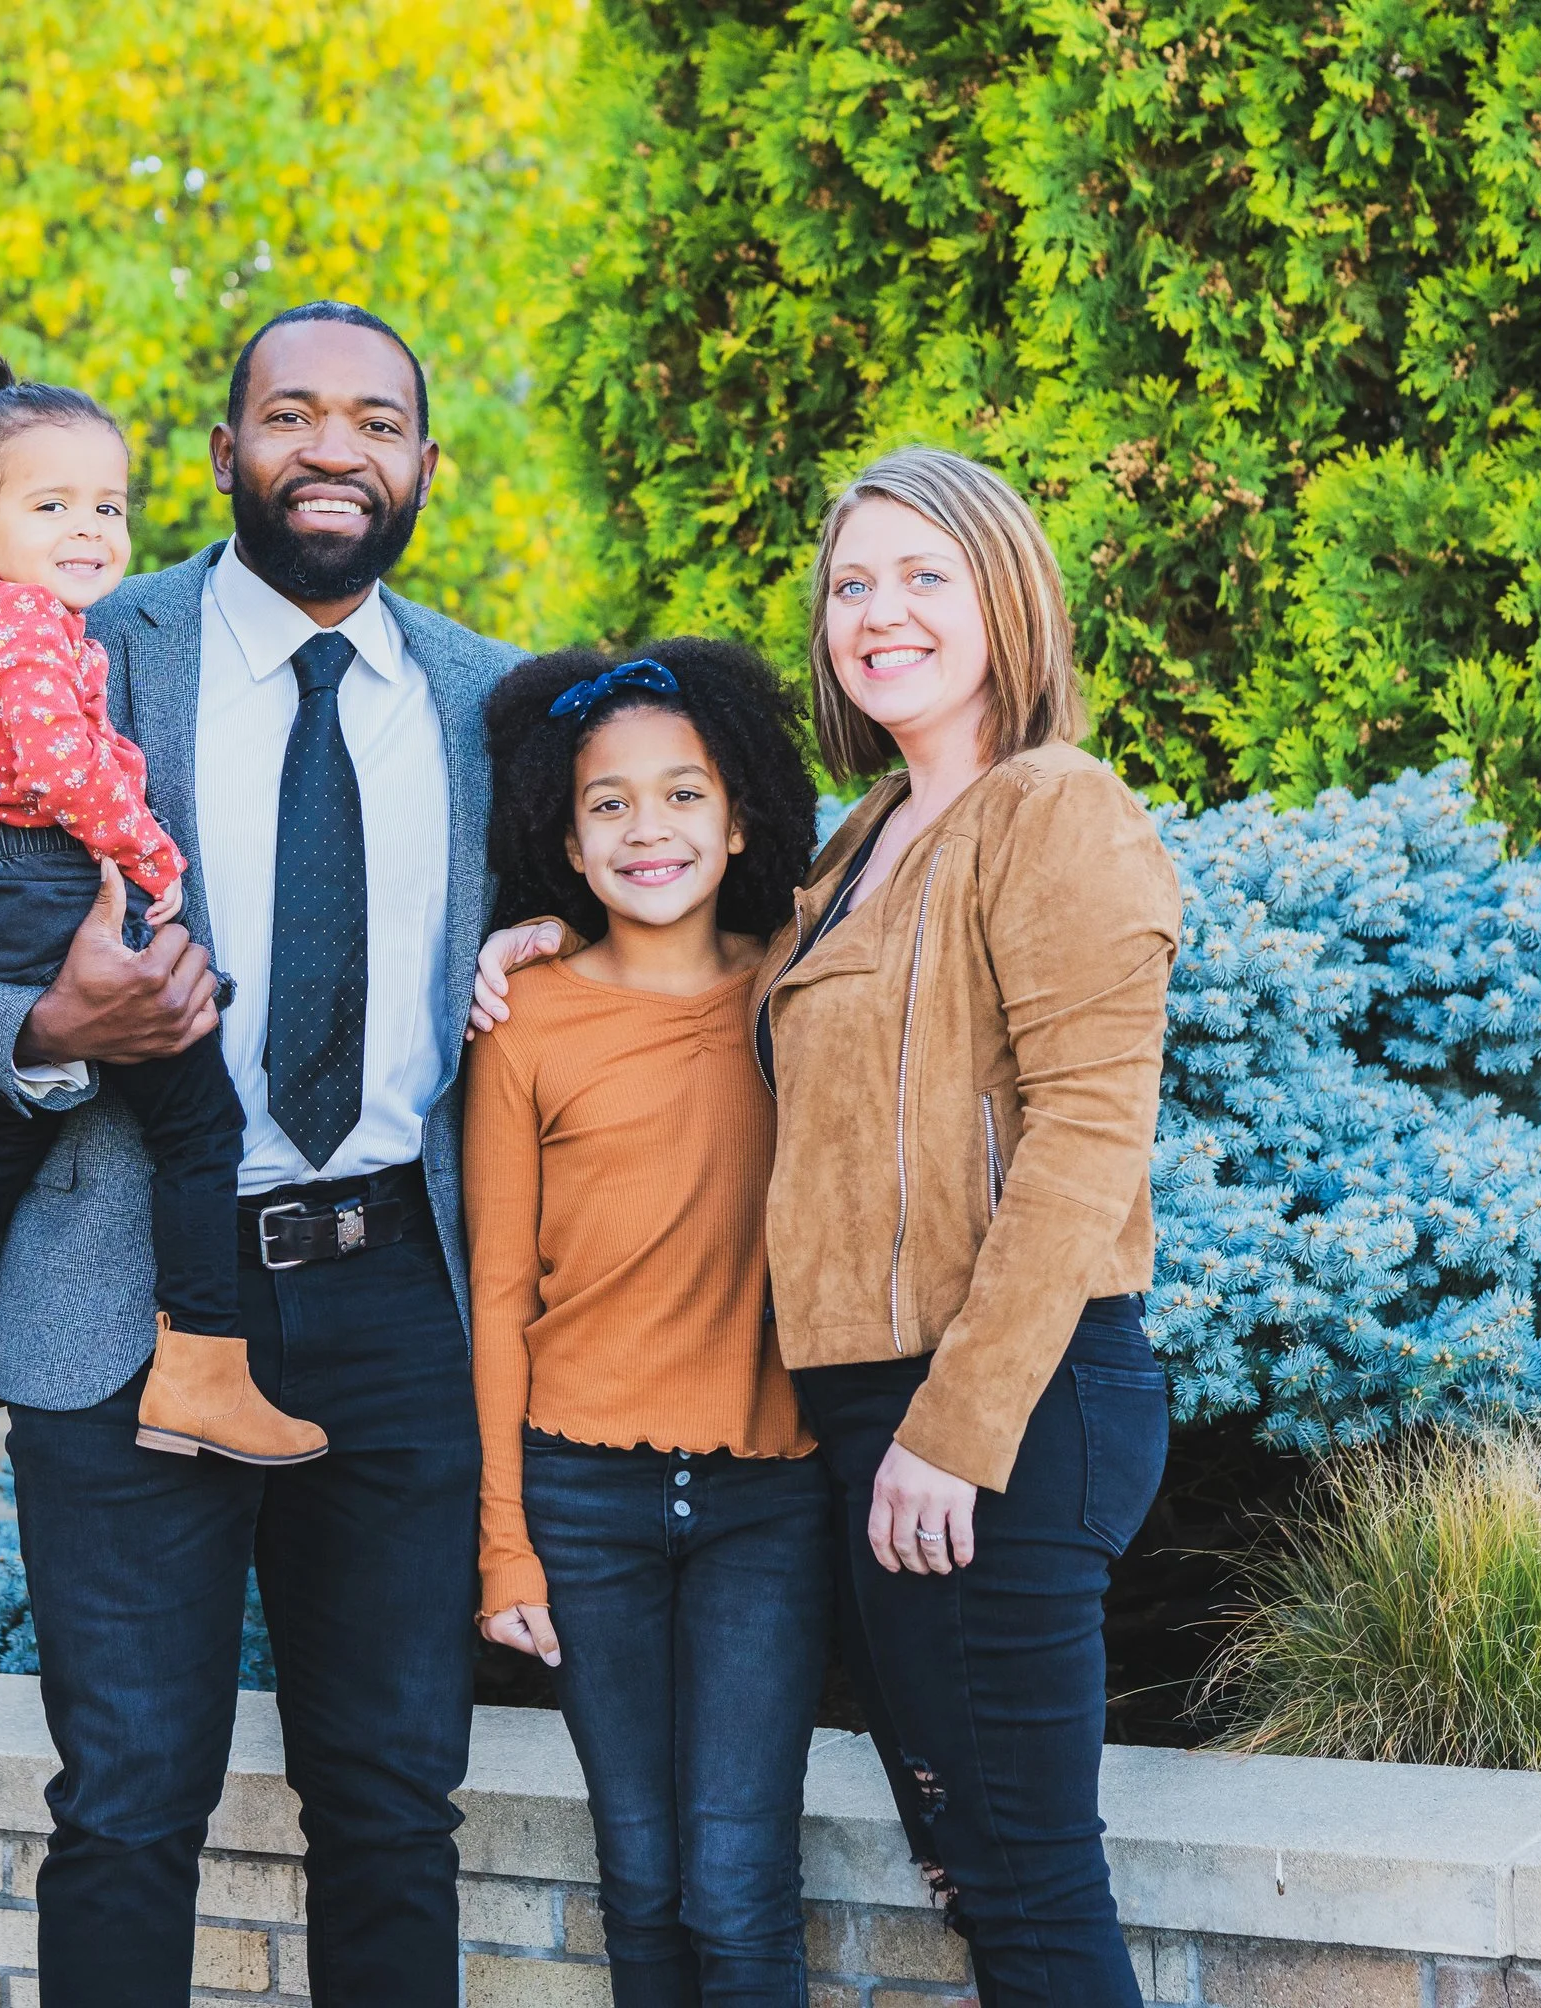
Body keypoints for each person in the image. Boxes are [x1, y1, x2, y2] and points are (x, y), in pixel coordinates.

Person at [0, 302, 521, 2008]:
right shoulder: (79, 635)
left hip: (395, 1311)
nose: (333, 448)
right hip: (121, 1300)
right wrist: (53, 1035)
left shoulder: (492, 700)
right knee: (132, 1796)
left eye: (376, 421)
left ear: (425, 467)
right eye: (289, 414)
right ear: (225, 454)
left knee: (391, 1798)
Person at [476, 447, 1181, 2008]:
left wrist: (960, 1425)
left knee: (1034, 1874)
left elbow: (1084, 1143)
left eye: (926, 575)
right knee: (973, 1866)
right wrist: (543, 919)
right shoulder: (861, 847)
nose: (884, 613)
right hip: (869, 1414)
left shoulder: (1053, 809)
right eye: (853, 585)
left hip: (1008, 1401)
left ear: (1008, 597)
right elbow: (691, 945)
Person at [0, 355, 321, 1466]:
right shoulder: (39, 633)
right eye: (52, 505)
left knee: (38, 1098)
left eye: (107, 506)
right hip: (44, 876)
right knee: (199, 1121)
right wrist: (152, 858)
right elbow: (73, 775)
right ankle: (202, 1363)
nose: (90, 529)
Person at [468, 641, 825, 2005]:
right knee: (643, 1878)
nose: (649, 828)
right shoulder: (526, 1019)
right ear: (565, 833)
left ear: (740, 821)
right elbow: (498, 1295)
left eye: (685, 795)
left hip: (766, 1503)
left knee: (738, 1890)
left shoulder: (801, 985)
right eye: (608, 803)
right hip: (581, 1498)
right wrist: (505, 1542)